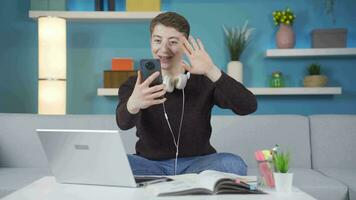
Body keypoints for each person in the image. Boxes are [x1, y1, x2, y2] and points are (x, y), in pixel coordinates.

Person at [116, 12, 257, 176]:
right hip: (150, 165)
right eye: (157, 40)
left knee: (233, 164)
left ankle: (167, 184)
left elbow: (248, 106)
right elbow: (123, 124)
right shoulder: (136, 84)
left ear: (185, 45)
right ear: (151, 41)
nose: (163, 49)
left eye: (173, 42)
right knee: (115, 164)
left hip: (197, 164)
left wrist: (212, 71)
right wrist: (134, 103)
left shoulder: (204, 80)